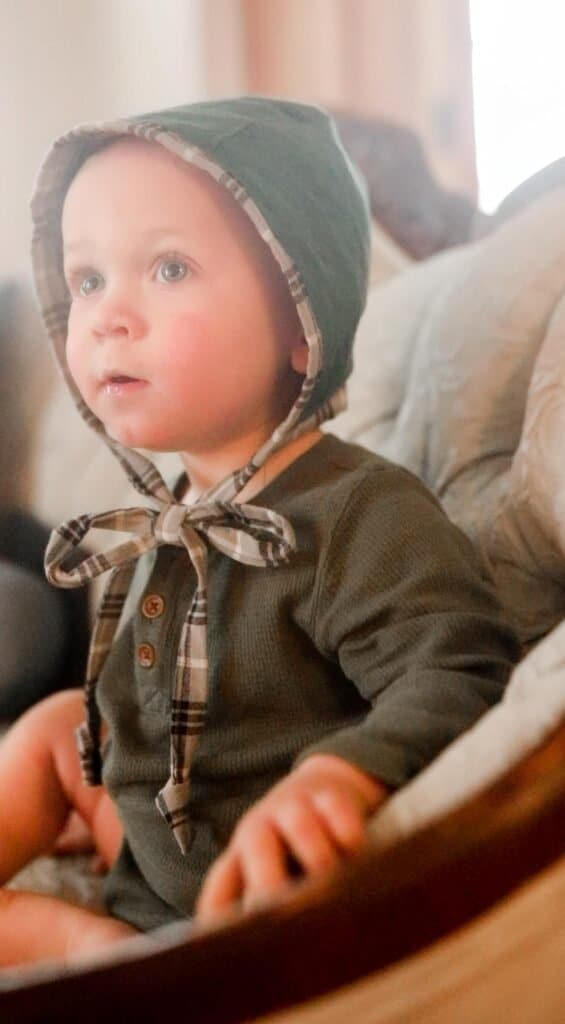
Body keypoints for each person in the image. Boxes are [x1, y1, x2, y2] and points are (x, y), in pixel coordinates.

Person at [0, 97, 518, 965]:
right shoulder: (170, 515)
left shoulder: (355, 511)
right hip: (153, 851)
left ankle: (96, 952)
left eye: (167, 269)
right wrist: (111, 770)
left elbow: (460, 664)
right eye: (87, 279)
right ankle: (87, 936)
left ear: (299, 324)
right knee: (58, 723)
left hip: (228, 897)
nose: (106, 316)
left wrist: (340, 774)